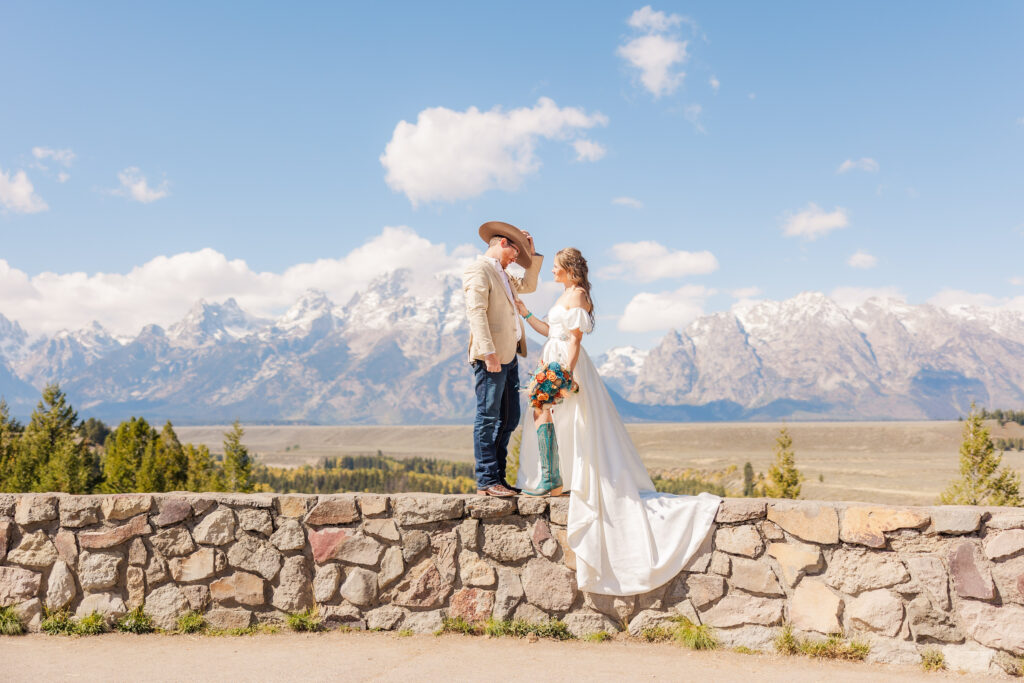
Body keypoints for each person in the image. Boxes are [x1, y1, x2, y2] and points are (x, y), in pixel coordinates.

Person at [515, 247, 722, 595]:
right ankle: (552, 478)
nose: (551, 273)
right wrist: (525, 313)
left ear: (569, 269)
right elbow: (551, 331)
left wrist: (565, 374)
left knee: (562, 417)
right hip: (552, 356)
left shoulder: (578, 294)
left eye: (555, 268)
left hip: (566, 364)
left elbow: (574, 340)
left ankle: (560, 478)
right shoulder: (565, 294)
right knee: (545, 415)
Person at [462, 221, 543, 498]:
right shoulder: (479, 270)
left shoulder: (505, 276)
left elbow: (530, 285)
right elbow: (477, 312)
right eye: (515, 255)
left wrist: (532, 253)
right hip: (491, 356)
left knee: (509, 418)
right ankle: (486, 480)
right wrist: (489, 353)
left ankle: (498, 478)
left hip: (510, 356)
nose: (515, 261)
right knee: (487, 416)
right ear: (503, 243)